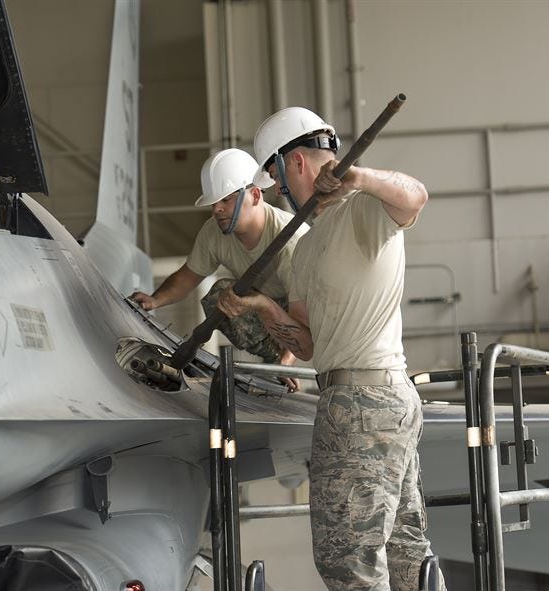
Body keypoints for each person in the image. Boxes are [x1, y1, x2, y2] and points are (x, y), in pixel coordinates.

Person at [217, 107, 446, 590]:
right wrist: (260, 305)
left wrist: (357, 177)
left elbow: (415, 197)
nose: (278, 190)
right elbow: (307, 343)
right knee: (404, 550)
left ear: (296, 164)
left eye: (276, 177)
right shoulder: (306, 248)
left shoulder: (363, 210)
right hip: (366, 399)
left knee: (348, 559)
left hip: (364, 403)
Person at [130, 147, 308, 390]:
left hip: (309, 319)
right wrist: (154, 300)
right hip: (266, 312)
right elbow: (189, 275)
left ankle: (279, 362)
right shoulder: (214, 232)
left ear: (255, 195)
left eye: (226, 199)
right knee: (221, 294)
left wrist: (286, 362)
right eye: (214, 202)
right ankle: (273, 356)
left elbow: (306, 311)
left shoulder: (290, 240)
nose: (217, 209)